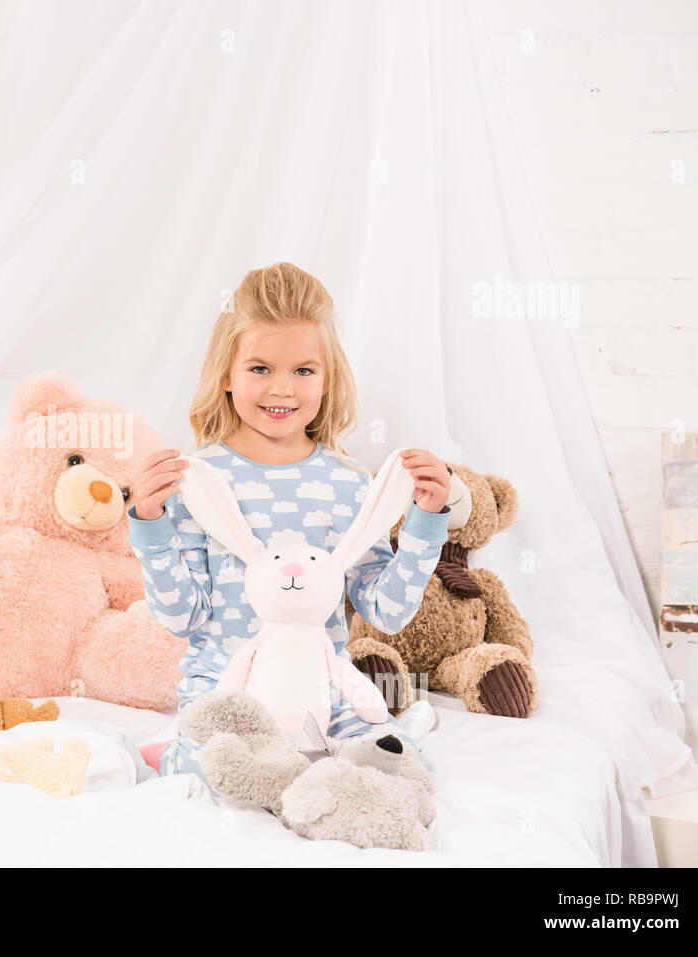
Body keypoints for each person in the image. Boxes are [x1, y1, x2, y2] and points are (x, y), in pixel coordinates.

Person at [126, 262, 453, 789]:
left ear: (327, 380)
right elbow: (182, 618)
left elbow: (387, 612)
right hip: (225, 692)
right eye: (259, 369)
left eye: (303, 370)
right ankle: (169, 754)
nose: (282, 388)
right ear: (226, 376)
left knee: (398, 767)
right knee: (223, 776)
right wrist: (149, 526)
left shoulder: (349, 484)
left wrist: (425, 523)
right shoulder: (201, 481)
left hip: (322, 690)